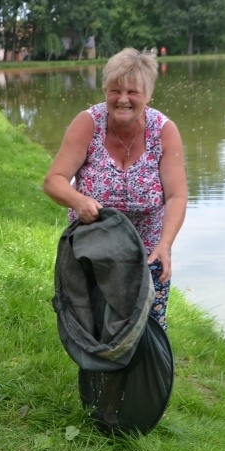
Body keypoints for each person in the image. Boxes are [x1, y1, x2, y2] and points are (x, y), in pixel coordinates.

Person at [43, 47, 188, 331]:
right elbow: (54, 180)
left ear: (148, 95)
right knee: (94, 331)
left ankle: (146, 377)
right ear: (105, 91)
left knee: (148, 333)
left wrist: (166, 245)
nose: (122, 99)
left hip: (148, 253)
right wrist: (78, 200)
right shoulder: (88, 123)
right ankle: (97, 377)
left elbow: (176, 195)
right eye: (114, 90)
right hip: (93, 251)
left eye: (132, 92)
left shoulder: (164, 130)